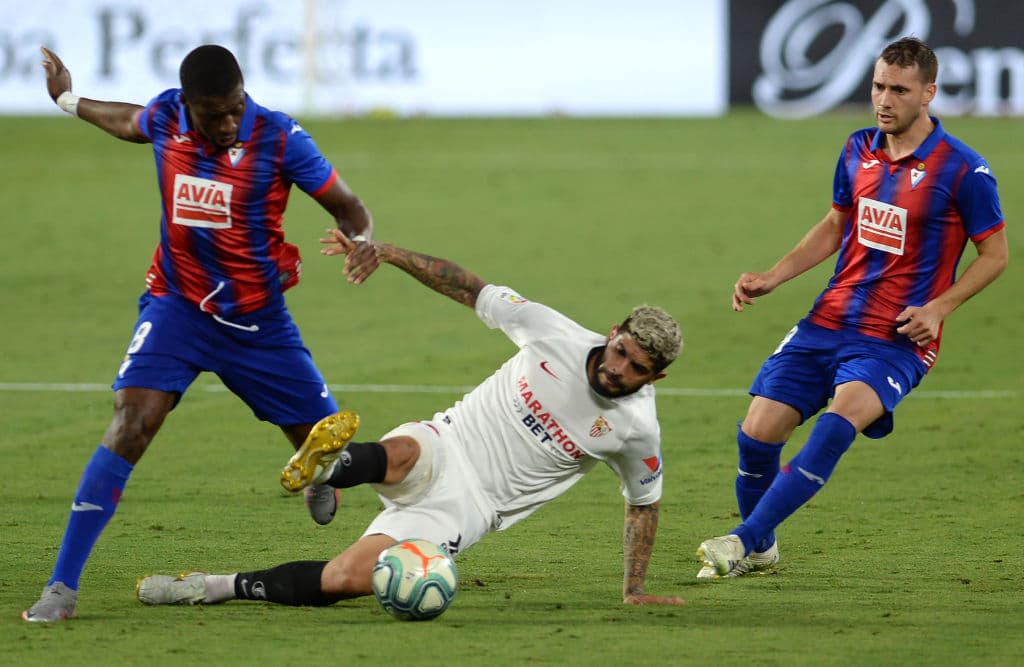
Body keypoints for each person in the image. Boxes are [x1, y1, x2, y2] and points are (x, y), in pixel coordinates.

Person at [135, 230, 685, 609]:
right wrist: (388, 252)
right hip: (448, 439)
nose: (618, 370)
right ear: (613, 332)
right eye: (620, 351)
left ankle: (212, 586)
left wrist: (634, 588)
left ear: (654, 377)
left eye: (636, 369)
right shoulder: (552, 332)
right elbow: (468, 288)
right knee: (402, 454)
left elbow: (644, 504)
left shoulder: (637, 430)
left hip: (471, 507)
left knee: (345, 578)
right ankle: (330, 466)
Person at [23, 45, 377, 623]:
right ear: (189, 106)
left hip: (258, 322)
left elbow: (349, 207)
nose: (229, 122)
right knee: (130, 424)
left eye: (236, 108)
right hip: (176, 308)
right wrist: (67, 99)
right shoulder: (167, 116)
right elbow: (127, 120)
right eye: (215, 114)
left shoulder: (280, 138)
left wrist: (362, 244)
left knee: (327, 451)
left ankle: (320, 476)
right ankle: (61, 586)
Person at [696, 37, 1008, 579]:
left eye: (899, 90)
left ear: (929, 93)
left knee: (837, 425)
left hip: (897, 337)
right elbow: (837, 223)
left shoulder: (964, 170)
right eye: (878, 86)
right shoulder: (857, 148)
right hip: (829, 319)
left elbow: (995, 255)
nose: (884, 100)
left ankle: (740, 541)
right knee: (756, 435)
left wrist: (939, 308)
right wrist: (774, 275)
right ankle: (763, 546)